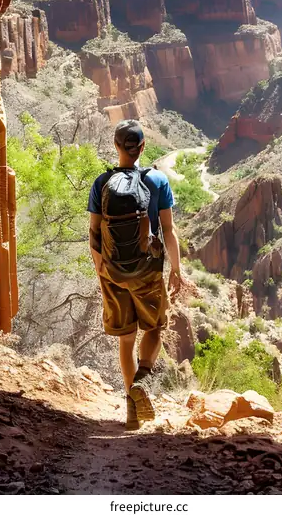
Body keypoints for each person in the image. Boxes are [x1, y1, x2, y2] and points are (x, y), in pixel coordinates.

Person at [88, 119, 182, 429]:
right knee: (154, 328)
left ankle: (131, 409)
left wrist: (102, 268)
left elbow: (93, 232)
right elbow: (167, 230)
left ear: (116, 147)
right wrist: (176, 270)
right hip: (148, 271)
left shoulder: (102, 183)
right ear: (142, 147)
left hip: (112, 273)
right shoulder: (157, 180)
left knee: (125, 341)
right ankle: (143, 379)